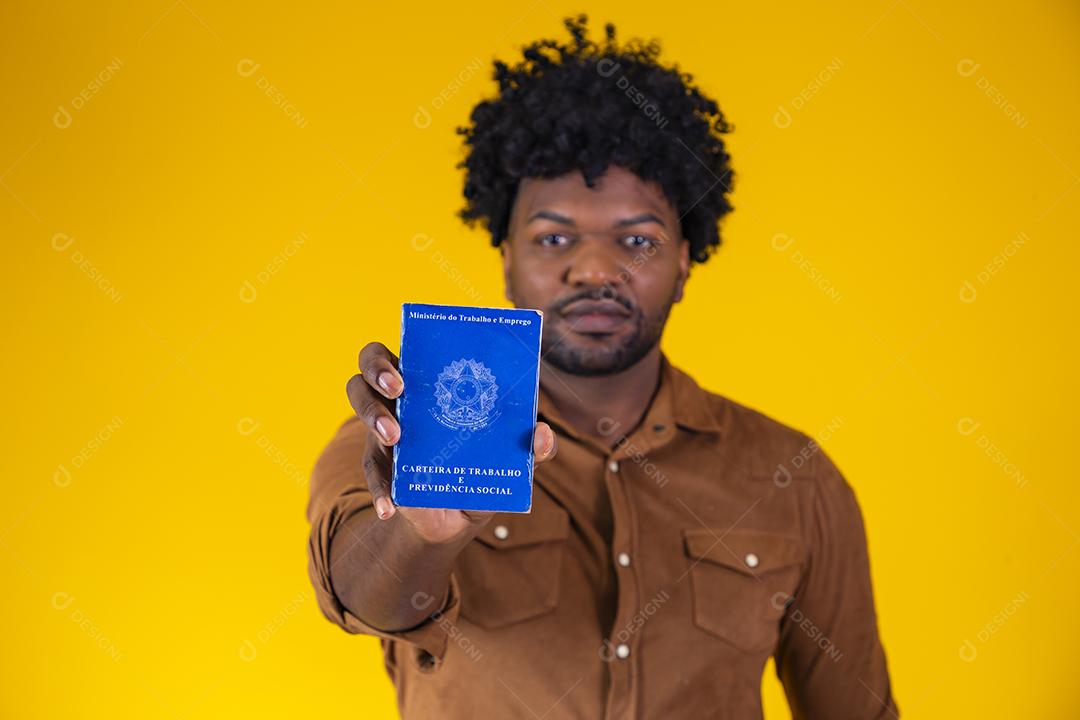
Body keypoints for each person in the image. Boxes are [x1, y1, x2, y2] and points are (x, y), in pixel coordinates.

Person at [306, 14, 898, 719]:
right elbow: (359, 595)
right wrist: (415, 531)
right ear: (506, 261)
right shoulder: (406, 439)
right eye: (554, 237)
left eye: (638, 241)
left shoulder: (794, 477)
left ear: (685, 259)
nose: (594, 269)